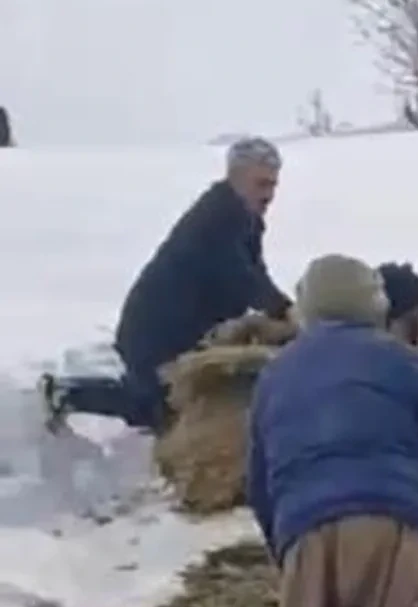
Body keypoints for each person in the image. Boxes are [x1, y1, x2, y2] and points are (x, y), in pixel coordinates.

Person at [247, 254, 418, 607]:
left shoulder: (273, 377)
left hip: (305, 535)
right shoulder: (405, 361)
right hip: (396, 529)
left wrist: (288, 554)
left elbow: (259, 488)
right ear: (376, 304)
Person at [42, 138, 290, 434]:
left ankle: (69, 394)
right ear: (236, 177)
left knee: (170, 406)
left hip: (181, 329)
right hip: (155, 328)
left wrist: (284, 309)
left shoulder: (244, 219)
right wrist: (285, 312)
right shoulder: (216, 219)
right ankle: (64, 394)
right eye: (261, 184)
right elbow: (240, 277)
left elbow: (254, 272)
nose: (269, 195)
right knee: (158, 407)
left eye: (273, 185)